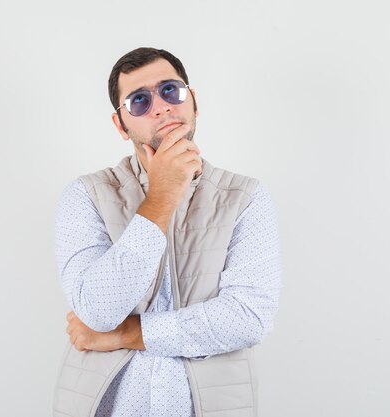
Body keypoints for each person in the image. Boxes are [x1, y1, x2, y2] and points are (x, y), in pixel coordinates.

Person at [53, 47, 282, 417]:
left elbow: (247, 317)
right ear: (120, 124)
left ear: (193, 100)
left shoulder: (246, 198)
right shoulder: (87, 195)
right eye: (139, 101)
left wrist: (126, 335)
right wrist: (161, 196)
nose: (160, 107)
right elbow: (97, 311)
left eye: (170, 91)